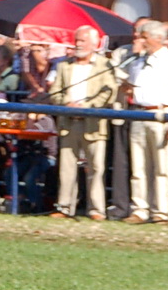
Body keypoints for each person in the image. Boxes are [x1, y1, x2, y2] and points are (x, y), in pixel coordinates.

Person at [121, 19, 168, 225]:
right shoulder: (137, 62)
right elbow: (130, 88)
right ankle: (140, 209)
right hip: (139, 114)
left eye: (144, 37)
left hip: (162, 114)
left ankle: (161, 212)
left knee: (161, 167)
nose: (141, 41)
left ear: (156, 38)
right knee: (139, 166)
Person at [48, 25, 117, 219]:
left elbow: (109, 91)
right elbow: (54, 92)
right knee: (67, 167)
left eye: (83, 40)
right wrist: (66, 104)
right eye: (76, 40)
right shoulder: (64, 65)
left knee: (96, 168)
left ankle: (96, 209)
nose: (78, 44)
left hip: (93, 124)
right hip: (68, 123)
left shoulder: (105, 65)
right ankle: (64, 207)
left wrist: (88, 106)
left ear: (95, 44)